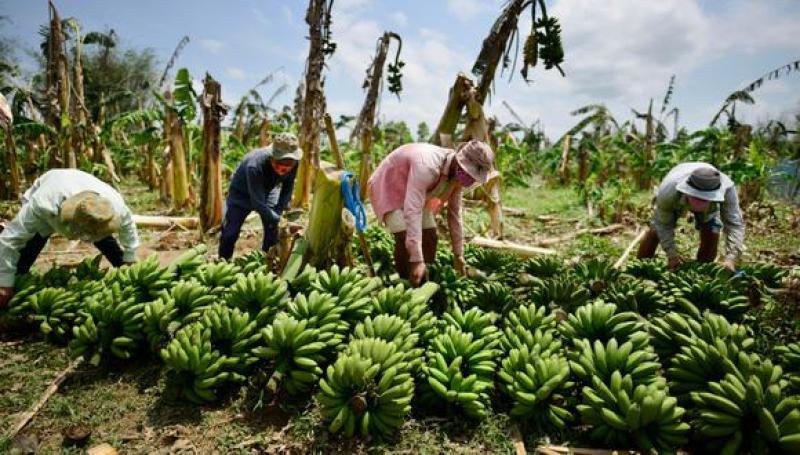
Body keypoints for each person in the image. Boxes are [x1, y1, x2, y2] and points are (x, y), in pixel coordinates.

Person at [0, 169, 140, 308]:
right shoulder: (42, 204)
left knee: (106, 241)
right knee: (32, 244)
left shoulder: (113, 206)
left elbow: (129, 227)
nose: (86, 238)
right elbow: (10, 239)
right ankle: (16, 282)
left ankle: (125, 274)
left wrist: (129, 259)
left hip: (89, 199)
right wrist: (5, 282)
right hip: (52, 192)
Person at [369, 140, 495, 286]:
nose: (468, 179)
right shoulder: (427, 166)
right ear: (459, 160)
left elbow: (455, 214)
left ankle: (422, 278)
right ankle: (404, 281)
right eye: (468, 174)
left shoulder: (457, 177)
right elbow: (413, 210)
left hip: (416, 191)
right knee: (404, 236)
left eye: (472, 178)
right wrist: (417, 260)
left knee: (431, 237)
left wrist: (458, 254)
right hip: (391, 185)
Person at [637, 162, 745, 271]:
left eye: (703, 198)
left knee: (712, 231)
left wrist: (731, 258)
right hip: (678, 194)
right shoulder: (669, 191)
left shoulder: (728, 189)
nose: (699, 199)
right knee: (656, 229)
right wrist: (672, 255)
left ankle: (702, 270)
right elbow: (663, 224)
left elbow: (734, 224)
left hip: (710, 205)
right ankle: (640, 268)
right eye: (697, 196)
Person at [218, 132, 301, 260]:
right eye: (277, 165)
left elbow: (287, 189)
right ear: (272, 157)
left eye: (285, 169)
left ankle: (267, 260)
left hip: (269, 191)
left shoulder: (294, 164)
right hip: (241, 194)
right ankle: (223, 261)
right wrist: (280, 220)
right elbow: (258, 203)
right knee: (230, 232)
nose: (280, 171)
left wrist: (279, 213)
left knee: (272, 231)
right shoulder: (255, 165)